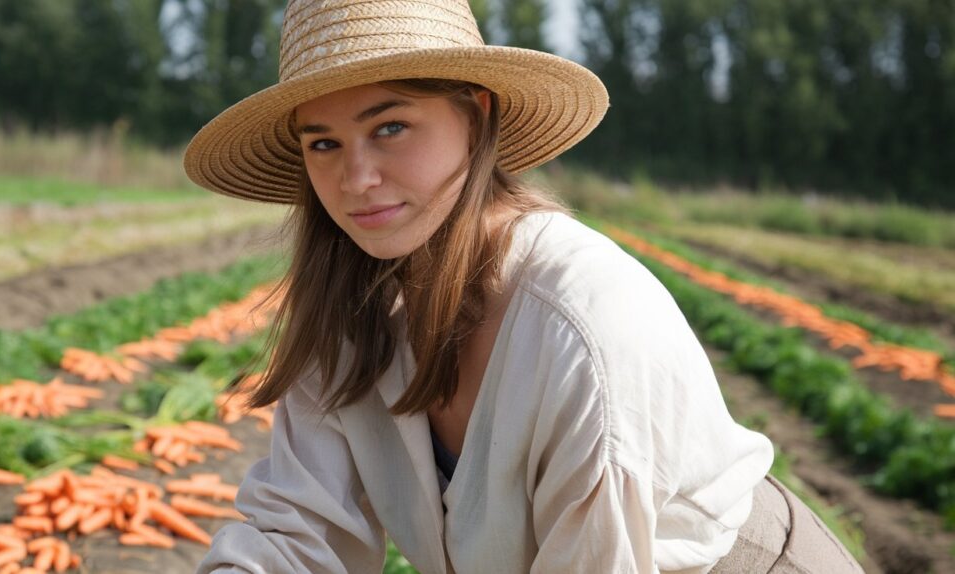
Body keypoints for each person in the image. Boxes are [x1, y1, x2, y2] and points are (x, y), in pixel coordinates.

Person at [185, 1, 863, 572]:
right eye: (323, 144)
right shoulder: (354, 314)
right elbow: (296, 531)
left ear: (475, 117)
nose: (355, 178)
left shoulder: (583, 323)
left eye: (390, 127)